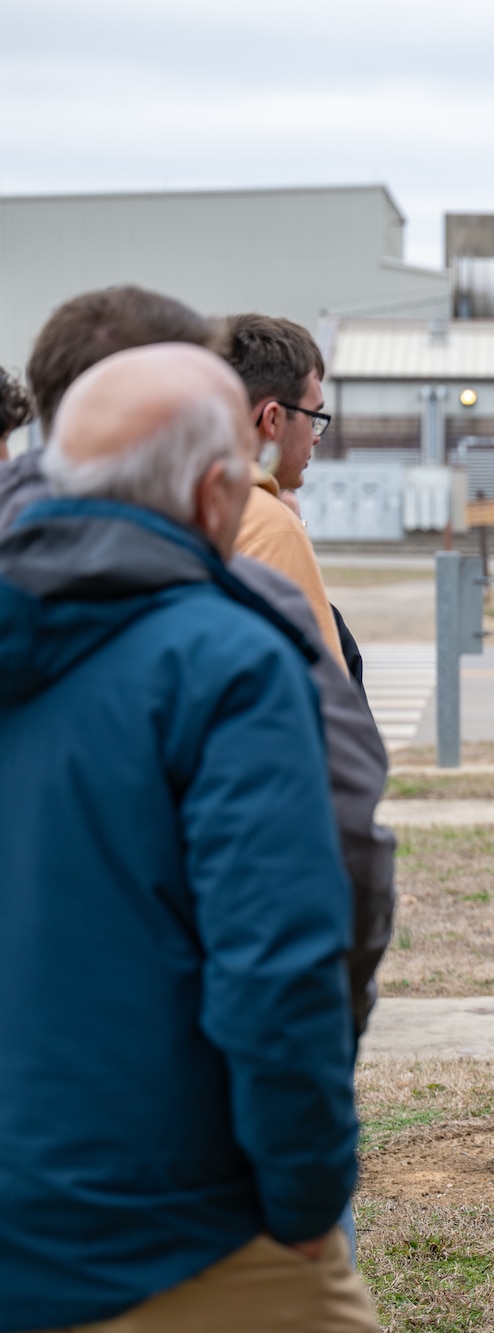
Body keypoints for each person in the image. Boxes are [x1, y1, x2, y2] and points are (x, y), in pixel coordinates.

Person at [0, 344, 377, 1331]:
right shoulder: (226, 660)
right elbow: (278, 964)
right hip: (167, 1229)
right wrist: (304, 1199)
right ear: (218, 492)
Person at [1, 286, 396, 1039]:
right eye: (310, 416)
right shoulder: (239, 592)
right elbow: (333, 797)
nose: (314, 436)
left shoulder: (29, 561)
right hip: (167, 1072)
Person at [220, 313, 348, 677]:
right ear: (272, 419)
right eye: (313, 416)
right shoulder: (269, 526)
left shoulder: (164, 502)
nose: (317, 436)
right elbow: (324, 700)